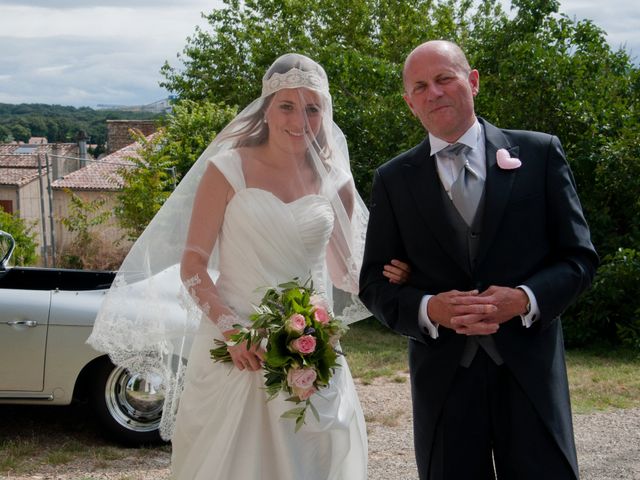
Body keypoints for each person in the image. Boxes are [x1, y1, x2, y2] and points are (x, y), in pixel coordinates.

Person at [88, 53, 408, 480]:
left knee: (314, 459)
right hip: (236, 348)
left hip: (310, 345)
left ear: (325, 110)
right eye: (287, 106)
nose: (301, 119)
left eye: (312, 107)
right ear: (266, 108)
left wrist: (389, 273)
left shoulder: (337, 181)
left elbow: (343, 271)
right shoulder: (228, 168)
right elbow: (194, 264)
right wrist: (232, 330)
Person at [359, 40, 598, 480]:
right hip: (445, 378)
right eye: (420, 86)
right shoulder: (393, 179)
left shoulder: (540, 154)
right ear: (409, 103)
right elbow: (374, 282)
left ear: (472, 82)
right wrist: (430, 308)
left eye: (444, 78)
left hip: (529, 371)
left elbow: (579, 258)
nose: (434, 92)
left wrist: (525, 299)